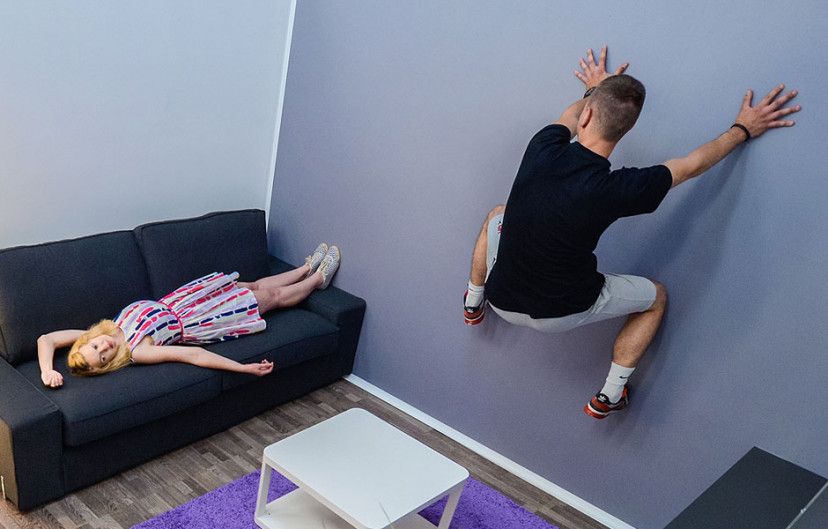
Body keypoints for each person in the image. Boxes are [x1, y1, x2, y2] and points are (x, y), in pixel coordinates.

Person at [463, 45, 801, 419]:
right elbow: (691, 165)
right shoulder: (620, 188)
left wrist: (594, 88)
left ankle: (474, 301)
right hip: (562, 311)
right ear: (626, 130)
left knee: (498, 215)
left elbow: (568, 117)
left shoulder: (542, 147)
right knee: (656, 297)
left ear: (588, 114)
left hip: (501, 296)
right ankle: (609, 395)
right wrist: (743, 129)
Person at [38, 243, 341, 388]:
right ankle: (318, 279)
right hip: (204, 318)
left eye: (95, 346)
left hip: (189, 298)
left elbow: (46, 339)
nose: (104, 347)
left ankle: (305, 268)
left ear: (89, 340)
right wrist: (243, 368)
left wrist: (46, 371)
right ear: (108, 364)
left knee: (255, 285)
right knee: (270, 298)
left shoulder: (107, 329)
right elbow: (193, 355)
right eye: (103, 357)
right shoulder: (137, 351)